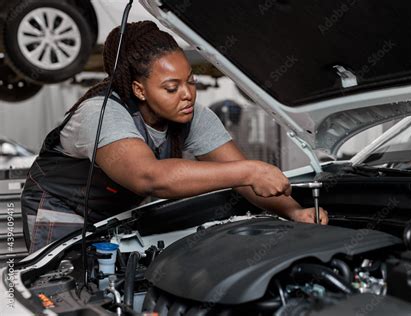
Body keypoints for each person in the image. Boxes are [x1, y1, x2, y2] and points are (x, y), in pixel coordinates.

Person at [21, 21, 328, 253]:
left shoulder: (192, 115)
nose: (187, 95)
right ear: (139, 89)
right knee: (64, 284)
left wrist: (294, 211)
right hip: (62, 207)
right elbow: (150, 178)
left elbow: (240, 174)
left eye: (190, 82)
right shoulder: (101, 113)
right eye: (172, 87)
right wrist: (252, 170)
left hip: (112, 211)